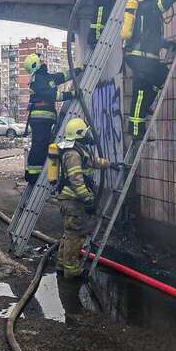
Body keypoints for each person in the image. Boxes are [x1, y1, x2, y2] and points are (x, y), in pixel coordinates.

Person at [121, 0, 176, 140]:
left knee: (161, 75)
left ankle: (146, 105)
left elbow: (149, 34)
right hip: (142, 59)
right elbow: (167, 1)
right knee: (140, 93)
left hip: (145, 58)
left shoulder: (143, 10)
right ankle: (135, 130)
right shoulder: (148, 7)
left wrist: (165, 44)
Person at [54, 118, 113, 279]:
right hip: (73, 201)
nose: (88, 134)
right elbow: (76, 178)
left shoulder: (79, 150)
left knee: (69, 233)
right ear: (79, 134)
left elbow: (92, 161)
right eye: (85, 131)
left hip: (71, 200)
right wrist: (87, 198)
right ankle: (72, 270)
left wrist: (110, 164)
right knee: (75, 235)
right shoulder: (72, 154)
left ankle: (61, 264)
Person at [22, 53, 75, 184]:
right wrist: (72, 94)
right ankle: (33, 175)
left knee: (42, 144)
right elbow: (53, 95)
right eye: (39, 59)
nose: (42, 60)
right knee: (39, 145)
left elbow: (59, 77)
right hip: (41, 118)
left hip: (44, 119)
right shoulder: (38, 79)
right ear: (35, 64)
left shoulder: (44, 76)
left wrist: (75, 72)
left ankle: (35, 173)